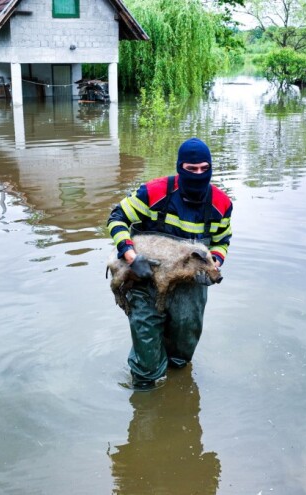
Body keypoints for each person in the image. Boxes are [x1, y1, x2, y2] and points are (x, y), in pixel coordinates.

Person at [107, 137, 233, 390]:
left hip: (190, 283)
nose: (198, 174)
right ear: (180, 167)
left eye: (204, 169)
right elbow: (116, 218)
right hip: (144, 276)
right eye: (191, 169)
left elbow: (222, 241)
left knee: (183, 348)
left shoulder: (221, 203)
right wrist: (132, 257)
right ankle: (144, 396)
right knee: (145, 345)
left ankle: (177, 391)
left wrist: (214, 262)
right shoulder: (153, 192)